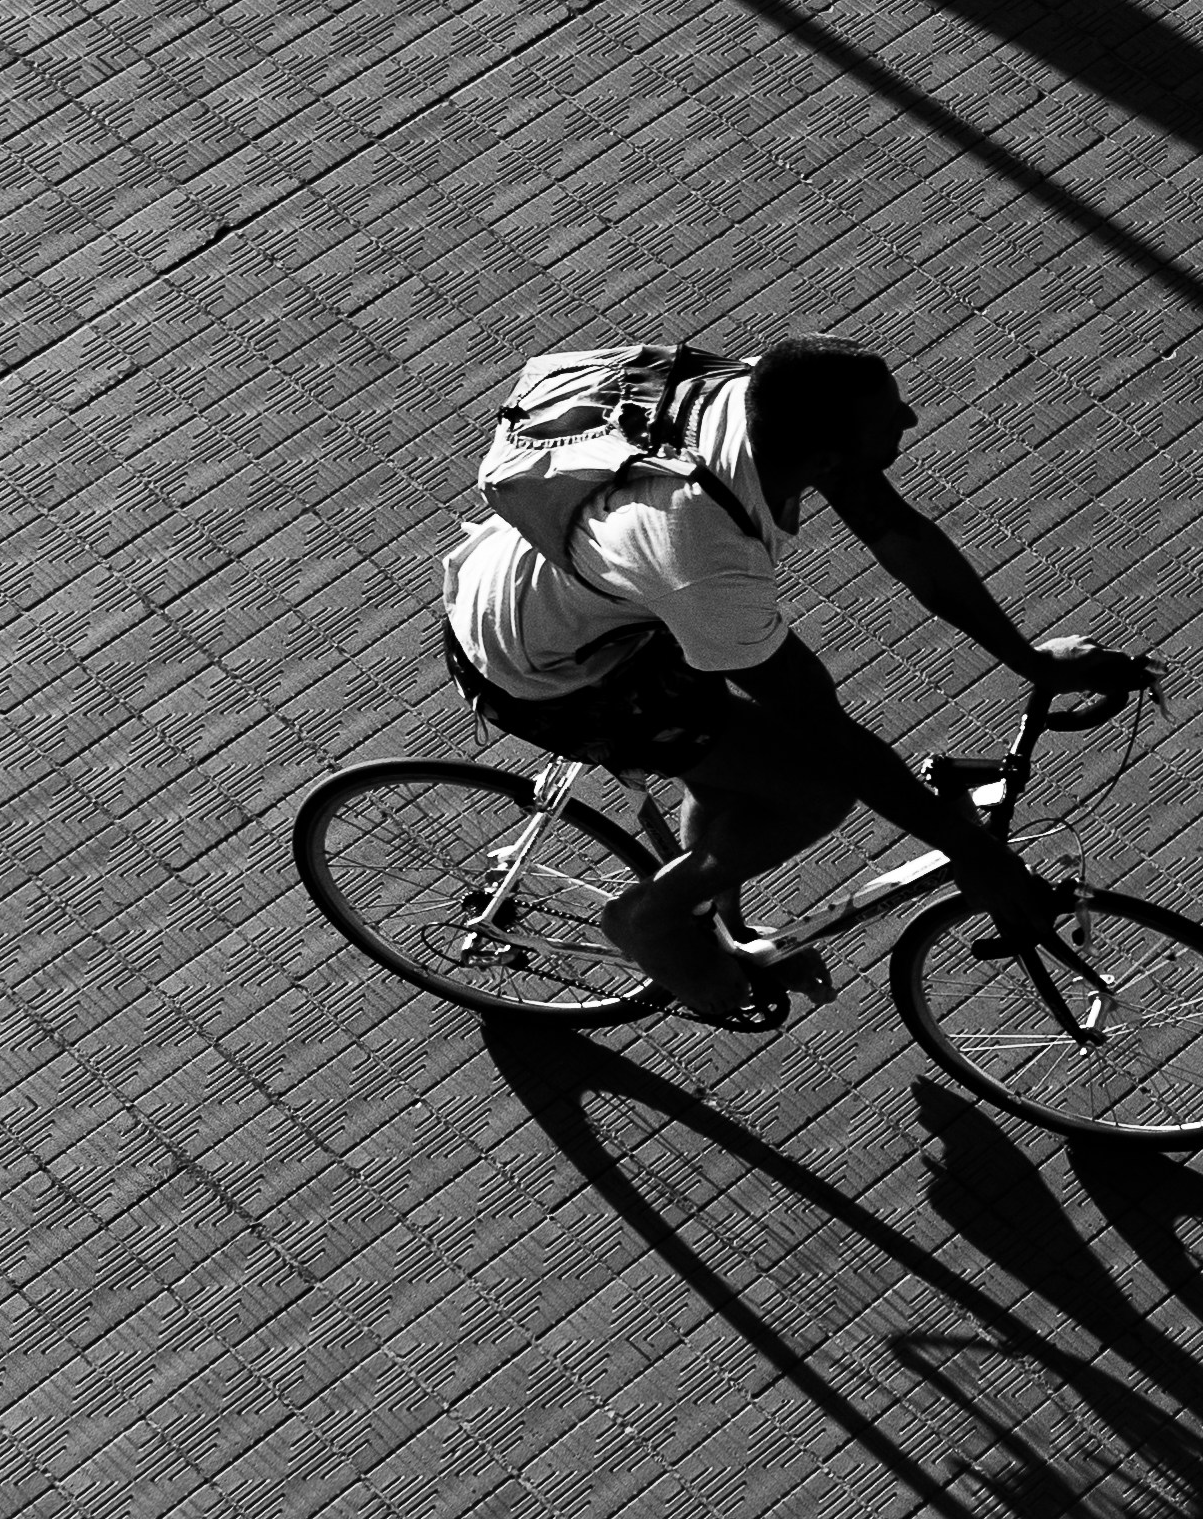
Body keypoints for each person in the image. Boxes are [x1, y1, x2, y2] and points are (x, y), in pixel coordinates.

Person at [440, 338, 1111, 1022]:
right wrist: (971, 852)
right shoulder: (704, 553)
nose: (909, 419)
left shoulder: (761, 407)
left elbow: (897, 532)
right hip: (555, 673)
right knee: (814, 792)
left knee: (737, 766)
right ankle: (652, 919)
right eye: (890, 419)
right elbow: (825, 729)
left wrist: (1028, 659)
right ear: (824, 459)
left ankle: (714, 917)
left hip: (596, 602)